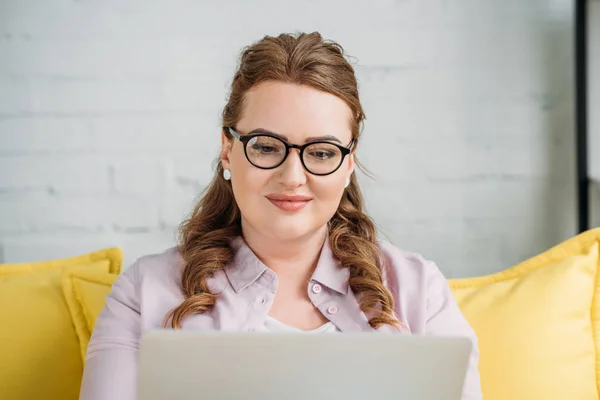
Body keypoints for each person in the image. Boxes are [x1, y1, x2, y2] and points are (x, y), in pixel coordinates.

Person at [79, 31, 482, 399]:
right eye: (267, 146)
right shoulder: (144, 292)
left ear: (348, 163)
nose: (292, 177)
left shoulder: (419, 292)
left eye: (322, 152)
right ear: (227, 150)